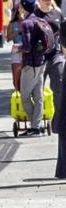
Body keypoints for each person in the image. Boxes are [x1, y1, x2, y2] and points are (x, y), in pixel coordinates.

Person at [35, 0, 64, 135]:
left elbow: (63, 34)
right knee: (38, 90)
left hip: (56, 56)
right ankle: (37, 123)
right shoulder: (34, 12)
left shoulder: (57, 13)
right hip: (39, 57)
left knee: (59, 88)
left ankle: (58, 123)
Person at [19, 0, 47, 136]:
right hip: (41, 62)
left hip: (30, 65)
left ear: (24, 8)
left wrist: (17, 48)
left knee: (24, 96)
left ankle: (35, 125)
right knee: (38, 96)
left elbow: (27, 46)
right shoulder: (40, 20)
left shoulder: (26, 23)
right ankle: (37, 126)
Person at [7, 2, 24, 91]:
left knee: (25, 76)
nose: (21, 12)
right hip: (16, 50)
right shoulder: (12, 23)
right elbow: (8, 38)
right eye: (20, 9)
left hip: (26, 50)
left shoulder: (29, 21)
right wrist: (17, 32)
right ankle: (17, 92)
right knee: (16, 76)